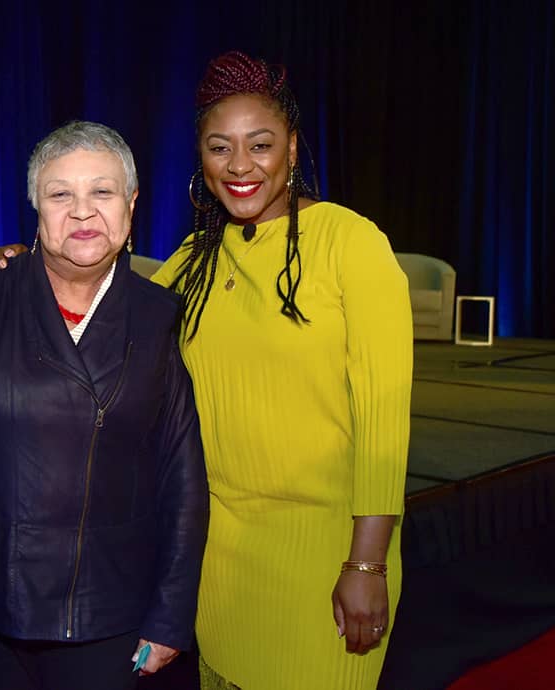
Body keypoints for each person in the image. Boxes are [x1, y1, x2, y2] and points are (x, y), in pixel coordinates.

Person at [148, 51, 413, 689]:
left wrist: (367, 565)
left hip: (326, 558)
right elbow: (106, 323)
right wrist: (23, 269)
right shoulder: (195, 259)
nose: (240, 165)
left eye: (260, 144)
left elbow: (382, 421)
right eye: (220, 148)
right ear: (201, 159)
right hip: (221, 561)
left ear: (291, 148)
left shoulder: (350, 242)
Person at [0, 120, 209, 690]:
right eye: (61, 194)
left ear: (131, 204)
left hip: (107, 611)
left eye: (102, 191)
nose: (83, 212)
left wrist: (171, 612)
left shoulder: (157, 315)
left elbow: (181, 478)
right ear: (36, 207)